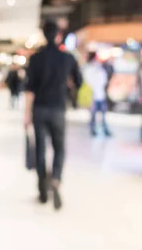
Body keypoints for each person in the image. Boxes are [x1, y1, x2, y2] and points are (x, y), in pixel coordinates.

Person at [24, 20, 82, 210]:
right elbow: (79, 81)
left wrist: (26, 114)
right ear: (58, 35)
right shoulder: (68, 58)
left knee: (40, 148)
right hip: (58, 108)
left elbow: (30, 89)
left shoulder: (35, 59)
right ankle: (56, 179)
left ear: (43, 34)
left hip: (39, 108)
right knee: (59, 148)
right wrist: (68, 87)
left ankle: (42, 189)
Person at [83, 52, 111, 137]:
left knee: (97, 114)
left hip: (97, 94)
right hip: (94, 94)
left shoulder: (92, 68)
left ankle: (99, 129)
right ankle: (97, 129)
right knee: (96, 114)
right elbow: (103, 80)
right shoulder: (92, 68)